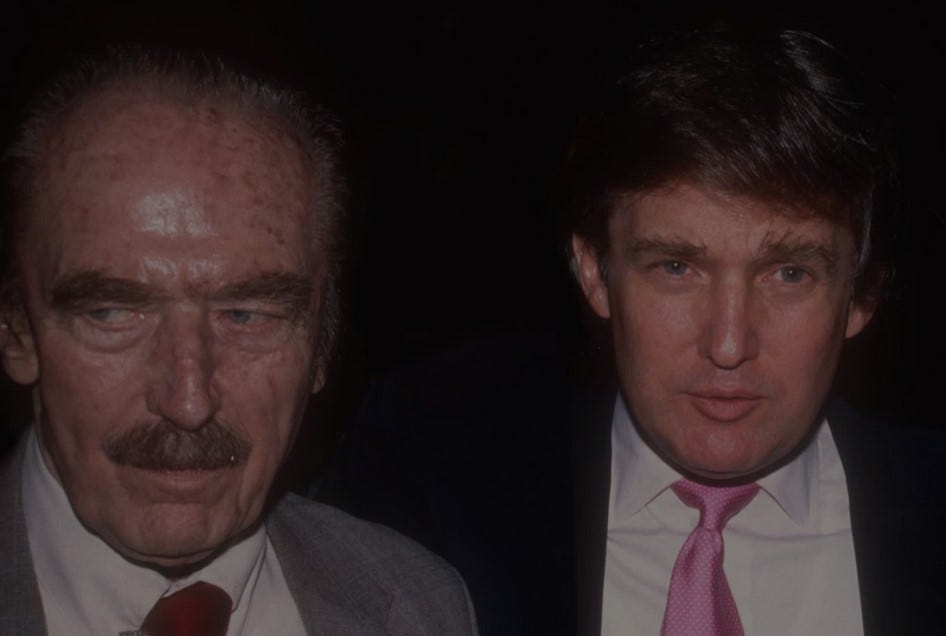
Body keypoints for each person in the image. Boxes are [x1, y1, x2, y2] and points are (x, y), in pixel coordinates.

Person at [320, 23, 945, 636]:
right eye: (676, 268)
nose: (729, 345)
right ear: (594, 271)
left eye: (789, 274)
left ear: (862, 296)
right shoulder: (434, 483)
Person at [0, 50, 476, 636]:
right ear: (15, 329)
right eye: (113, 313)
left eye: (246, 317)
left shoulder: (423, 606)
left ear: (321, 346)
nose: (189, 401)